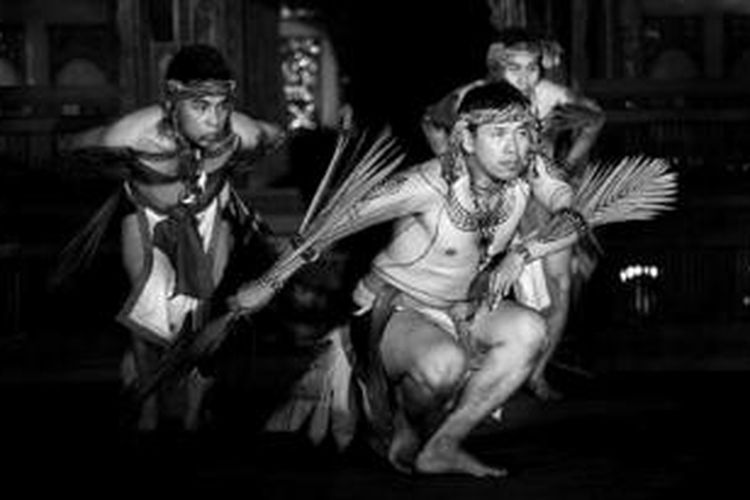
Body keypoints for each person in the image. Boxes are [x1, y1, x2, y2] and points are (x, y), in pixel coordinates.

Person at [239, 80, 587, 477]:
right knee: (444, 366)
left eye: (523, 133)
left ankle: (443, 445)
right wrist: (267, 284)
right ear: (467, 139)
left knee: (530, 331)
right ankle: (400, 417)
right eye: (498, 134)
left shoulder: (531, 171)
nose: (514, 147)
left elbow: (574, 216)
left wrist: (524, 253)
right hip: (393, 309)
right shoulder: (425, 184)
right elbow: (332, 224)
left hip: (463, 308)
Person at [60, 44, 284, 431]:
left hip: (208, 218)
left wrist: (250, 152)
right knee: (148, 312)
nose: (214, 118)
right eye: (201, 106)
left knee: (203, 318)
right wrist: (101, 157)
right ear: (173, 99)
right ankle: (147, 409)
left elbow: (273, 134)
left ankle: (193, 416)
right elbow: (74, 145)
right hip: (149, 219)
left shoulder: (238, 132)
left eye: (221, 104)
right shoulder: (133, 134)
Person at [422, 27, 605, 400]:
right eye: (513, 68)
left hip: (540, 201)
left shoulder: (551, 96)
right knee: (469, 284)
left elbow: (594, 118)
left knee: (561, 286)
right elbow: (432, 120)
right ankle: (467, 370)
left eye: (532, 67)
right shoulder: (474, 96)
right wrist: (455, 171)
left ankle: (535, 374)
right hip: (489, 199)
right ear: (497, 67)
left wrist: (568, 164)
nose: (524, 77)